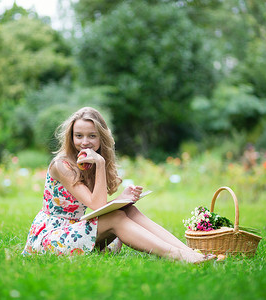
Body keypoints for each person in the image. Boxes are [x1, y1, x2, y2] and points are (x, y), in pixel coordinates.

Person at [22, 107, 215, 263]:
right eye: (78, 135)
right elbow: (96, 205)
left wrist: (121, 199)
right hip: (51, 237)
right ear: (71, 137)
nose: (85, 142)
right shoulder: (62, 165)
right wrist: (100, 163)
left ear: (101, 138)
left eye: (92, 136)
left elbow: (94, 204)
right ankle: (178, 256)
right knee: (115, 218)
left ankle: (189, 251)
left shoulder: (88, 161)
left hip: (75, 228)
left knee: (128, 210)